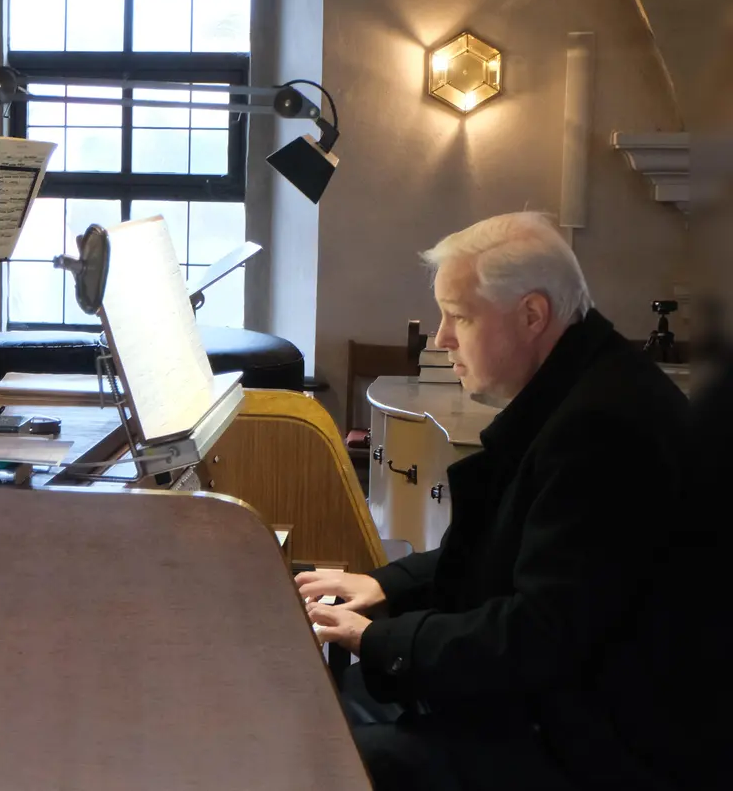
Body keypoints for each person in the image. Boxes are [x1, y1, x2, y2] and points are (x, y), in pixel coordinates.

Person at [296, 212, 702, 790]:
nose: (441, 338)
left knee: (320, 759)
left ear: (532, 315)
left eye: (459, 315)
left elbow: (537, 634)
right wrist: (391, 585)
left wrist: (373, 638)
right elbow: (519, 544)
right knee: (327, 714)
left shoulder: (604, 427)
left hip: (592, 747)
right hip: (559, 707)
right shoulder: (584, 390)